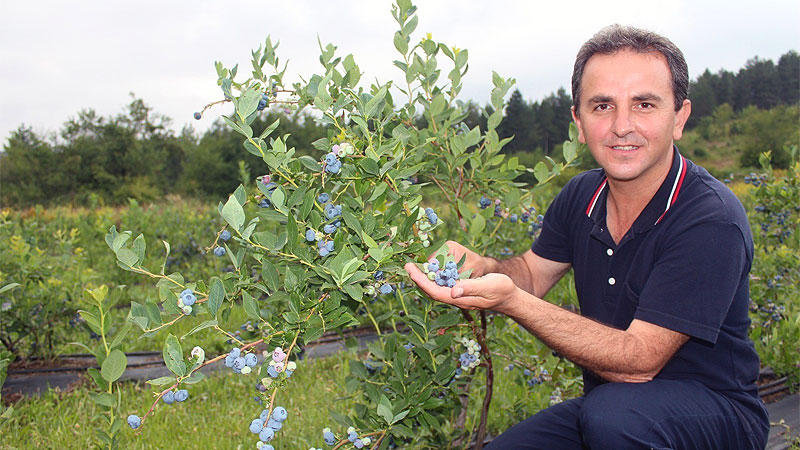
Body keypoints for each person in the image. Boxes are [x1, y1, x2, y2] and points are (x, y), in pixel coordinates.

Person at [405, 25, 769, 450]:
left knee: (612, 416)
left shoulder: (709, 218)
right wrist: (484, 268)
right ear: (579, 122)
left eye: (644, 104)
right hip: (613, 411)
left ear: (680, 117)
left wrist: (512, 302)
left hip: (715, 416)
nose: (621, 126)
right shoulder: (582, 194)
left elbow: (639, 363)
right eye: (602, 106)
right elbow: (531, 273)